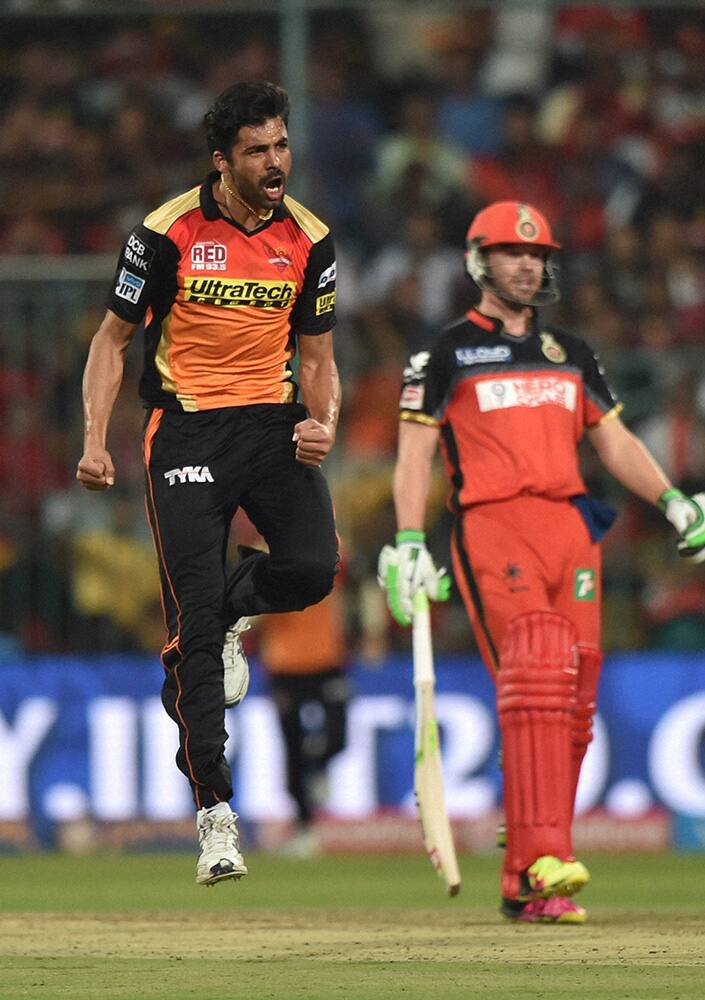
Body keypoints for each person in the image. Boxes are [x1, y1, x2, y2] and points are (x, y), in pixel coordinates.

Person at [378, 200, 705, 924]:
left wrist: (673, 501)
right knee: (535, 679)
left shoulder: (572, 354)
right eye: (510, 254)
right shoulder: (445, 354)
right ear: (478, 262)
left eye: (536, 255)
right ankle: (544, 852)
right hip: (493, 525)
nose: (527, 264)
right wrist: (407, 540)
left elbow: (614, 443)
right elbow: (415, 455)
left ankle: (529, 880)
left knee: (574, 703)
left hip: (569, 527)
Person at [76, 81, 340, 886]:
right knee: (189, 625)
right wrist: (94, 440)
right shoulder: (166, 233)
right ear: (221, 160)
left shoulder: (310, 240)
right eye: (257, 150)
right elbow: (111, 341)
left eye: (282, 146)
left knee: (311, 569)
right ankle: (216, 817)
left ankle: (224, 614)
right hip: (186, 430)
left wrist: (321, 418)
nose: (275, 163)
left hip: (270, 428)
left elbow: (321, 358)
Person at [257, 581, 348, 858]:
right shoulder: (262, 558)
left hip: (327, 659)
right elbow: (248, 611)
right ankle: (304, 829)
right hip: (284, 665)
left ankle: (317, 767)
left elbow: (345, 593)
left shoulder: (331, 546)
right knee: (292, 748)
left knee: (337, 738)